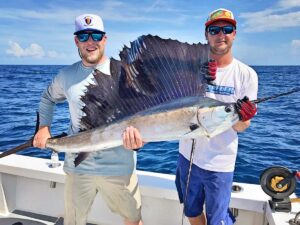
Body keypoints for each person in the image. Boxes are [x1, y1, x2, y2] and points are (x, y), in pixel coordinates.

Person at [33, 14, 143, 225]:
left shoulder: (126, 73)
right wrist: (44, 127)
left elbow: (142, 116)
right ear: (76, 41)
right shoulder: (66, 76)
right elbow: (48, 98)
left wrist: (141, 139)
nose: (90, 41)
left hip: (119, 167)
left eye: (96, 36)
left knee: (133, 220)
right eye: (84, 36)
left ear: (105, 39)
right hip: (78, 167)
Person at [175, 8, 258, 225]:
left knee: (218, 220)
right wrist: (194, 76)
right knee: (191, 211)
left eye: (227, 29)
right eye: (214, 30)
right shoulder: (191, 68)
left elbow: (242, 126)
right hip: (188, 158)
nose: (221, 35)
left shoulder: (247, 74)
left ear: (235, 34)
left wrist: (242, 117)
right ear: (206, 34)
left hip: (220, 164)